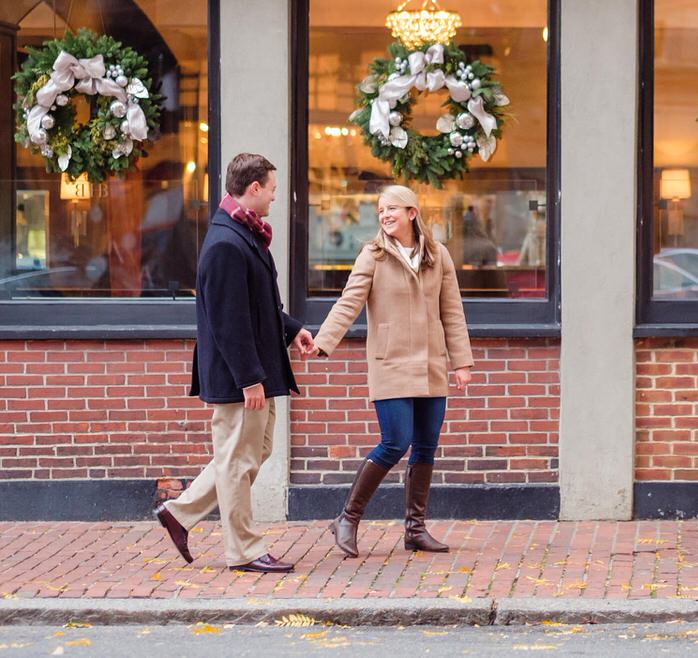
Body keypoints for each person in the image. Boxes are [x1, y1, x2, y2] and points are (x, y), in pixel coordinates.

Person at [154, 153, 316, 573]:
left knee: (251, 452)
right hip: (242, 376)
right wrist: (249, 380)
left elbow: (255, 306)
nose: (276, 196)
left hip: (257, 367)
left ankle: (180, 513)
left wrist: (290, 328)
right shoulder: (227, 242)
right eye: (273, 188)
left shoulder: (241, 233)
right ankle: (244, 550)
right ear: (255, 188)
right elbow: (229, 322)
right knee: (238, 460)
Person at [313, 184, 473, 558]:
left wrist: (461, 361)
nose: (384, 216)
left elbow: (452, 311)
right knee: (395, 442)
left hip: (431, 364)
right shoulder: (373, 255)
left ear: (412, 213)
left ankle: (415, 529)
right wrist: (324, 340)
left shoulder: (438, 255)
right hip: (391, 364)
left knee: (426, 446)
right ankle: (347, 519)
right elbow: (349, 301)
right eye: (381, 210)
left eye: (392, 210)